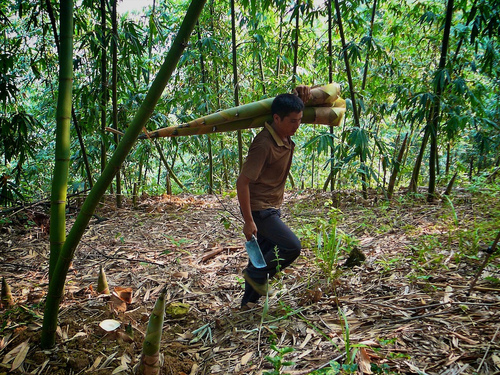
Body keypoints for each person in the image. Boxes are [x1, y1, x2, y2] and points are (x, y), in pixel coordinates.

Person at [236, 86, 311, 310]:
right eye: (293, 121)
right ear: (276, 118)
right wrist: (249, 220)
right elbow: (242, 182)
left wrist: (300, 99)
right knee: (291, 246)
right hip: (260, 210)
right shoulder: (264, 144)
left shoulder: (284, 134)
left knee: (262, 255)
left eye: (300, 120)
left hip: (272, 206)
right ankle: (254, 274)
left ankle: (248, 304)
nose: (297, 126)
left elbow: (292, 110)